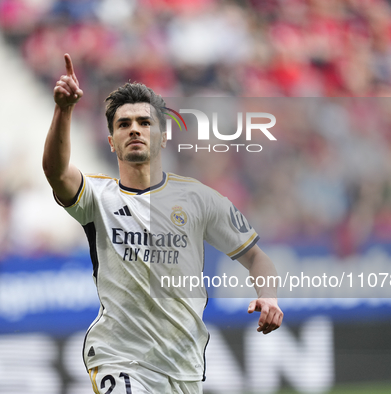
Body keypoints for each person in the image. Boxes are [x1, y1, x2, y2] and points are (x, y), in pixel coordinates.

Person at [43, 54, 283, 394]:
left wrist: (269, 297)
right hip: (119, 359)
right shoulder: (97, 197)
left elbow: (258, 258)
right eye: (123, 125)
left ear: (164, 136)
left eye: (144, 122)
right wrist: (63, 110)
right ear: (111, 141)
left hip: (183, 368)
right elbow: (55, 172)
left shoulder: (200, 199)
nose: (135, 129)